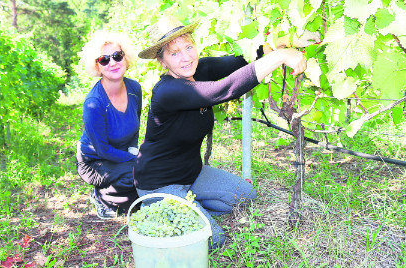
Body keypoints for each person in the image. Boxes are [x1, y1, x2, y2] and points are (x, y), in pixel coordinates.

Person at [134, 16, 319, 248]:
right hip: (158, 184)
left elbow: (240, 61)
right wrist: (280, 57)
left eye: (189, 47)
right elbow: (225, 89)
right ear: (162, 61)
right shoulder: (167, 91)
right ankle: (159, 208)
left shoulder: (198, 69)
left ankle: (188, 207)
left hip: (191, 175)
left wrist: (285, 42)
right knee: (213, 240)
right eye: (174, 53)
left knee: (245, 196)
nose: (186, 57)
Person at [76, 30, 142, 219]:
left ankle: (121, 191)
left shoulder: (134, 89)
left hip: (119, 155)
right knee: (138, 175)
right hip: (95, 162)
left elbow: (135, 130)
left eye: (117, 56)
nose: (112, 62)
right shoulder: (93, 103)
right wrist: (136, 161)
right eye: (104, 59)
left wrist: (136, 154)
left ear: (125, 57)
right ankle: (101, 197)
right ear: (97, 66)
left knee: (149, 172)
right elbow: (103, 150)